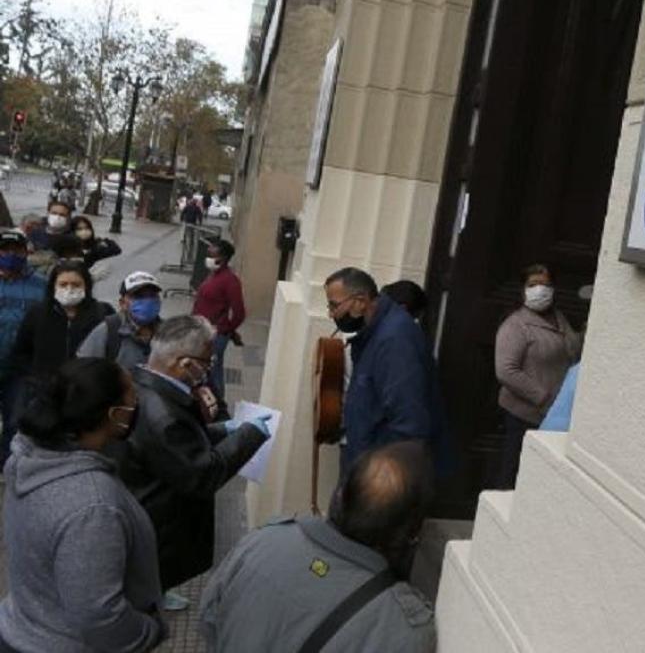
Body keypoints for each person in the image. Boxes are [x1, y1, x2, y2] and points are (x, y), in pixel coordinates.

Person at [200, 441, 437, 652]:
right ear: (411, 533)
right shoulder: (402, 627)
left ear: (340, 496)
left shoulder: (260, 540)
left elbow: (209, 618)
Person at [0, 359, 164, 652]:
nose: (137, 404)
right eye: (132, 396)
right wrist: (148, 631)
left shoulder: (28, 457)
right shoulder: (93, 506)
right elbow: (99, 617)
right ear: (114, 414)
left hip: (22, 630)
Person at [119, 316, 270, 608]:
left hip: (147, 505)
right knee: (147, 592)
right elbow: (203, 474)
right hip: (160, 519)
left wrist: (221, 430)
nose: (209, 369)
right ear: (185, 364)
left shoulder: (142, 384)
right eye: (207, 362)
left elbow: (178, 446)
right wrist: (250, 435)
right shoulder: (164, 415)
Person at [325, 268, 452, 474]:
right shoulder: (374, 332)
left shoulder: (395, 341)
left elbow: (408, 422)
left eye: (334, 305)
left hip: (379, 473)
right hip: (363, 461)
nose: (331, 314)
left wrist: (382, 480)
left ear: (360, 301)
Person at [7, 262, 113, 460]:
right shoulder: (38, 313)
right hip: (43, 396)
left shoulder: (102, 314)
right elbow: (21, 352)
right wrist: (36, 378)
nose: (69, 289)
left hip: (86, 399)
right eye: (63, 284)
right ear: (53, 286)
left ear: (86, 286)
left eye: (76, 284)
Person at [494, 264, 581, 488]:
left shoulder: (559, 318)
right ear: (523, 289)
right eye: (533, 284)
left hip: (553, 415)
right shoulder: (516, 325)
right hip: (524, 414)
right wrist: (543, 397)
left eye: (546, 284)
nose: (540, 290)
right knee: (513, 471)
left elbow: (570, 348)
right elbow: (506, 370)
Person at [0, 230, 47, 471]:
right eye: (5, 249)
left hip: (21, 367)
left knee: (15, 420)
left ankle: (6, 468)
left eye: (16, 249)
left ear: (25, 252)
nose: (10, 254)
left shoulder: (41, 285)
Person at [191, 239, 245, 412]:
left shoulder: (230, 280)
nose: (208, 258)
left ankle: (219, 405)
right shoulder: (212, 275)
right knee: (203, 370)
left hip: (215, 334)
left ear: (224, 258)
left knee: (213, 371)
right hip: (200, 331)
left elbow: (239, 313)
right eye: (208, 254)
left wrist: (225, 329)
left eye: (212, 255)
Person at [78, 271, 164, 371]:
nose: (147, 301)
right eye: (138, 296)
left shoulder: (169, 332)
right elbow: (84, 370)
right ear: (122, 303)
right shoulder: (108, 331)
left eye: (152, 296)